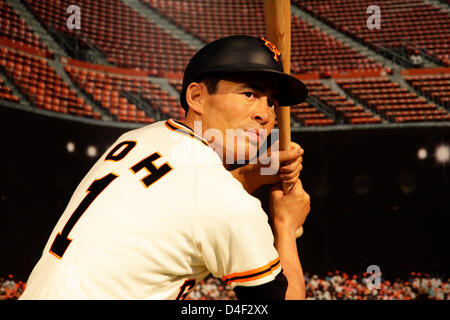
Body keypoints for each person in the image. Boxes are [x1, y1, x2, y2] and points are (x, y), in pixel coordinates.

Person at [20, 35, 310, 300]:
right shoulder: (229, 203)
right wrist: (285, 224)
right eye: (249, 94)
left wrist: (251, 174)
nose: (265, 114)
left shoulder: (138, 138)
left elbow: (189, 201)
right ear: (196, 97)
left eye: (272, 103)